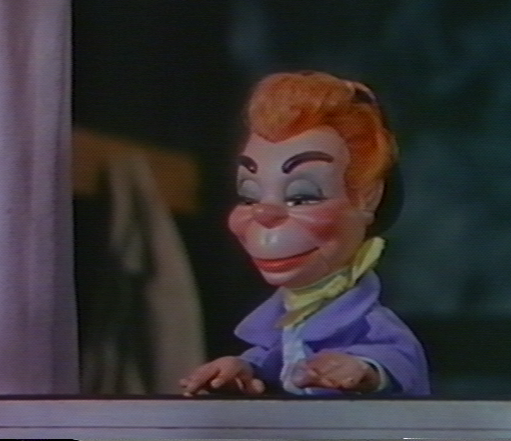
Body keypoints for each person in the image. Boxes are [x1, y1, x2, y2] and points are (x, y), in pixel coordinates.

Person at [181, 71, 430, 396]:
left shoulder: (370, 326)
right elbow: (277, 357)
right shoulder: (285, 320)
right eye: (250, 196)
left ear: (368, 198)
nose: (264, 215)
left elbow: (400, 361)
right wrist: (243, 368)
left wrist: (365, 370)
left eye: (302, 196)